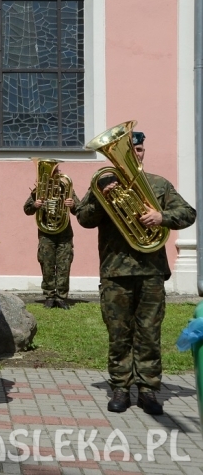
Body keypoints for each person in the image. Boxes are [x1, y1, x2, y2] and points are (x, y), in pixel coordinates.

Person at [76, 130, 195, 416]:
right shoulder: (103, 182)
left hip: (151, 272)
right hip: (115, 272)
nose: (135, 155)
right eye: (130, 150)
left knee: (149, 334)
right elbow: (82, 218)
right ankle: (120, 387)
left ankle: (148, 390)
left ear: (143, 151)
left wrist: (161, 217)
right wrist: (99, 201)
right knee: (119, 333)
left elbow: (188, 213)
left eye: (138, 150)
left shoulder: (158, 184)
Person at [23, 165, 79, 309]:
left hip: (64, 233)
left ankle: (61, 297)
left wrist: (72, 204)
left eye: (56, 172)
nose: (54, 175)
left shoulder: (66, 188)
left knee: (64, 265)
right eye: (51, 173)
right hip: (46, 234)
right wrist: (35, 205)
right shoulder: (38, 191)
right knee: (47, 264)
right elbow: (27, 209)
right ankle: (49, 296)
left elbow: (79, 208)